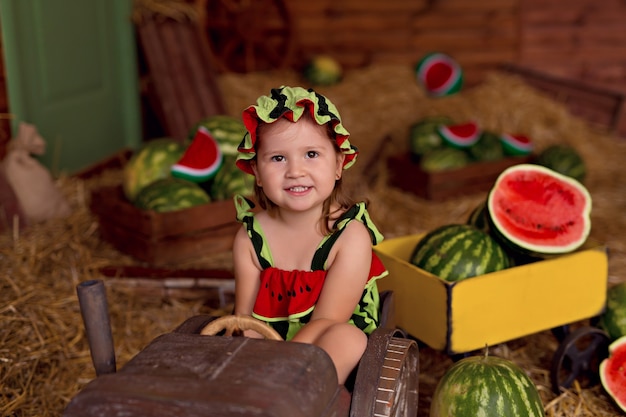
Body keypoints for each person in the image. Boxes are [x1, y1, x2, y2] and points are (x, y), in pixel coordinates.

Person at [232, 86, 388, 385]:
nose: (295, 171)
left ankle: (305, 402)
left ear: (339, 164)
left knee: (347, 337)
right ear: (257, 172)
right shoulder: (249, 238)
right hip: (267, 349)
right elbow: (245, 319)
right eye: (278, 158)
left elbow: (327, 320)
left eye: (312, 154)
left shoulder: (349, 235)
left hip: (323, 345)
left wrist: (284, 370)